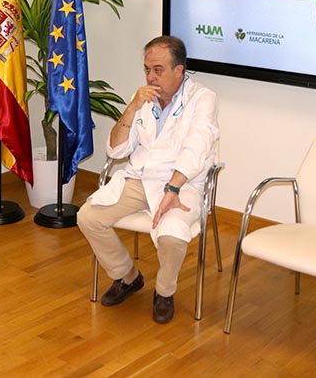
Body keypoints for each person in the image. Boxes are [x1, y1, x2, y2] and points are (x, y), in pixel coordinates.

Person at [77, 36, 219, 324]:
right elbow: (115, 149)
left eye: (158, 70)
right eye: (146, 69)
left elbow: (197, 146)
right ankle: (128, 277)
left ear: (179, 71)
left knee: (171, 234)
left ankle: (164, 292)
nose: (151, 77)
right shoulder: (143, 98)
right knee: (88, 217)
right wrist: (131, 107)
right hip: (141, 178)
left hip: (184, 183)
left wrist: (173, 187)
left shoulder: (202, 98)